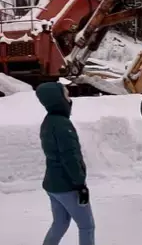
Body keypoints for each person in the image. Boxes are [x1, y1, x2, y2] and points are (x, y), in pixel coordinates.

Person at [36, 81, 95, 245]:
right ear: (57, 99)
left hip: (53, 184)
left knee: (60, 223)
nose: (69, 99)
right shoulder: (63, 125)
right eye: (66, 95)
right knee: (87, 226)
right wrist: (80, 184)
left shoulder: (48, 121)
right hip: (67, 186)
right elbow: (70, 157)